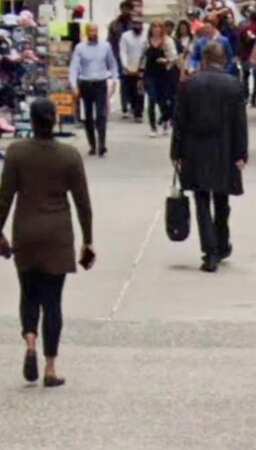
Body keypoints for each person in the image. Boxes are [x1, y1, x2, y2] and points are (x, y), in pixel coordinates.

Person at [0, 98, 95, 388]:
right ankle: (51, 367)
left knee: (29, 293)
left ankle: (30, 342)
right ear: (54, 121)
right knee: (53, 301)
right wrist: (88, 241)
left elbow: (4, 198)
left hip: (26, 233)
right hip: (57, 236)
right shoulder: (69, 156)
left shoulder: (16, 153)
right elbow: (82, 203)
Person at [171, 42, 248, 273]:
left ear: (203, 59)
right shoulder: (233, 85)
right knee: (222, 200)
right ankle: (222, 242)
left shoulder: (188, 85)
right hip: (224, 151)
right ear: (223, 60)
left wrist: (176, 152)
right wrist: (241, 153)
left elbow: (179, 123)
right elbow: (239, 124)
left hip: (196, 152)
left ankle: (210, 251)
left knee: (201, 200)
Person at [69, 23, 118, 158]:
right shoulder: (80, 48)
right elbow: (74, 67)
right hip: (86, 83)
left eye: (95, 31)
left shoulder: (105, 46)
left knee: (101, 115)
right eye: (91, 31)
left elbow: (112, 64)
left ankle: (102, 144)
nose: (93, 33)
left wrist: (114, 80)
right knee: (88, 116)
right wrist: (74, 85)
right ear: (86, 32)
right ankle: (92, 144)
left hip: (100, 82)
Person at [142, 20, 178, 138]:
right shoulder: (147, 42)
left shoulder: (167, 41)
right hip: (149, 74)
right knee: (151, 99)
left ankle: (164, 121)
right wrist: (140, 73)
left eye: (158, 27)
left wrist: (166, 60)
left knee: (162, 100)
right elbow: (142, 58)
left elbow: (174, 57)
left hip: (163, 74)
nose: (156, 29)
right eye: (154, 27)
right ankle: (153, 127)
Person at [108, 1, 135, 117]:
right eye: (124, 8)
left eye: (128, 9)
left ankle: (134, 105)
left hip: (133, 57)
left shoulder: (135, 24)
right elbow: (110, 41)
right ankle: (125, 106)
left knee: (133, 82)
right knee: (124, 82)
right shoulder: (114, 24)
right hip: (119, 56)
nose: (126, 11)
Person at [119, 19, 147, 124]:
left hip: (141, 68)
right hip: (129, 68)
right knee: (130, 91)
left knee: (140, 91)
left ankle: (138, 114)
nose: (137, 26)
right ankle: (133, 107)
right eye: (135, 23)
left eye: (139, 23)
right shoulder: (125, 36)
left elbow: (146, 53)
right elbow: (123, 52)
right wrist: (126, 66)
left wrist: (142, 67)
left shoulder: (145, 36)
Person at [238, 10, 256, 107]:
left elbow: (240, 42)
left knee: (245, 77)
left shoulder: (244, 29)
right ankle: (254, 99)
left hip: (245, 56)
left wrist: (239, 55)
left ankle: (245, 97)